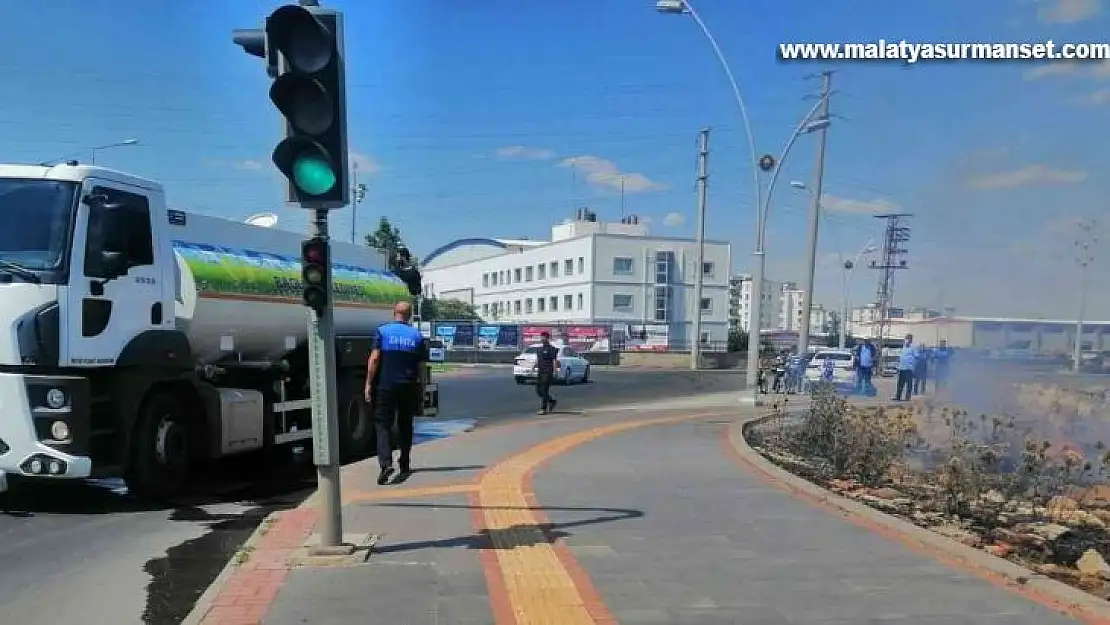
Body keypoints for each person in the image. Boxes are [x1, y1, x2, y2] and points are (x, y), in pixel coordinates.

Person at [365, 301, 428, 485]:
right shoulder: (416, 336)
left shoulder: (382, 331)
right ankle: (405, 462)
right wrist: (422, 389)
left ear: (394, 313)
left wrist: (368, 383)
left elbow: (375, 359)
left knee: (383, 424)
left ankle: (385, 464)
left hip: (386, 386)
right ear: (409, 315)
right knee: (405, 424)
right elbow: (422, 367)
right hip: (408, 386)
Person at [534, 331, 560, 414]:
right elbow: (538, 360)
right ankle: (552, 401)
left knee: (544, 390)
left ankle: (543, 409)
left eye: (543, 337)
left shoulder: (552, 349)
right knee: (538, 390)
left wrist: (555, 371)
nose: (541, 339)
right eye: (541, 337)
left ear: (547, 338)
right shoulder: (539, 349)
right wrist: (533, 367)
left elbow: (554, 360)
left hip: (548, 372)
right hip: (540, 372)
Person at [894, 333, 918, 401]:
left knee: (909, 384)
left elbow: (916, 357)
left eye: (908, 338)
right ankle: (898, 396)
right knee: (900, 383)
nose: (907, 340)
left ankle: (907, 397)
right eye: (906, 338)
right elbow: (901, 356)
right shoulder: (904, 347)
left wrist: (914, 367)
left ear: (911, 340)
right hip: (902, 368)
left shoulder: (913, 347)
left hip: (909, 369)